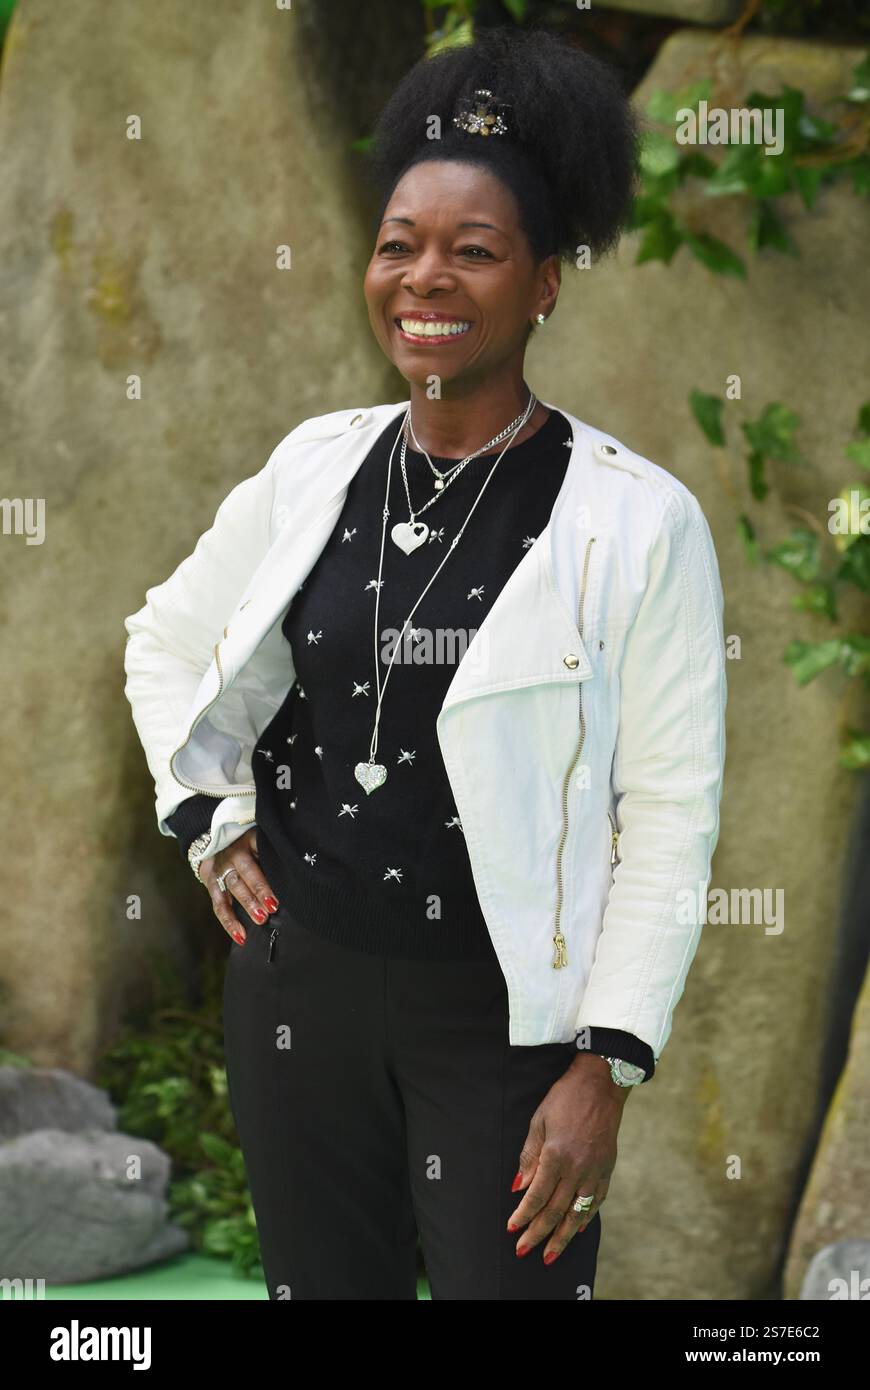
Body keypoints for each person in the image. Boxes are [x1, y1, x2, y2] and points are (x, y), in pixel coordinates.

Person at [123, 25, 727, 1300]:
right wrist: (209, 819)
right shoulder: (314, 464)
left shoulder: (635, 519)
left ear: (546, 281)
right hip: (299, 992)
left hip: (505, 1030)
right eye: (399, 244)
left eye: (473, 248)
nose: (424, 277)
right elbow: (167, 641)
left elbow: (669, 812)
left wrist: (605, 1063)